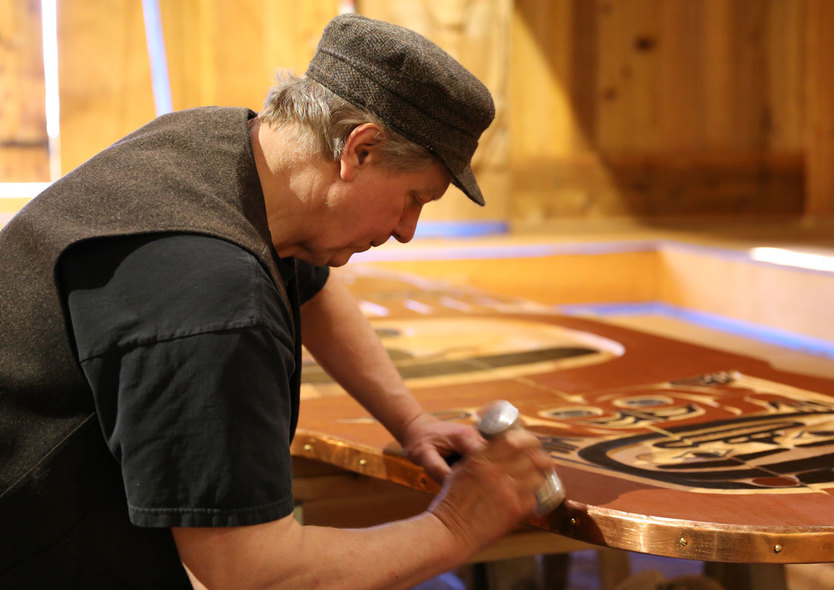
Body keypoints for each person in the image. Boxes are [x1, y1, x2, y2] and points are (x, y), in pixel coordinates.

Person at [0, 14, 554, 589]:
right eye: (413, 198)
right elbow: (254, 573)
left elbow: (309, 280)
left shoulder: (215, 146)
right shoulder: (211, 298)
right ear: (359, 150)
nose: (408, 229)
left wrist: (411, 421)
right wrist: (462, 523)